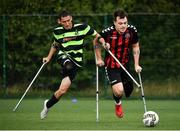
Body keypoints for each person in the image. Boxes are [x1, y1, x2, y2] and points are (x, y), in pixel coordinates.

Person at [40, 10, 108, 119]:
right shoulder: (57, 31)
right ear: (59, 21)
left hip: (77, 61)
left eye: (68, 20)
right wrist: (48, 57)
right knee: (68, 64)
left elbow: (97, 35)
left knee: (62, 91)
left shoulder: (82, 27)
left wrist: (103, 42)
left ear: (71, 18)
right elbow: (55, 44)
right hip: (64, 56)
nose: (67, 23)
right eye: (64, 22)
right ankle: (64, 68)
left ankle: (47, 105)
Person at [94, 9, 142, 118]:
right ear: (114, 22)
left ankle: (119, 93)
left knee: (128, 91)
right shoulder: (107, 32)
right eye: (120, 23)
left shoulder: (132, 30)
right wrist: (99, 58)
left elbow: (135, 46)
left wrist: (136, 64)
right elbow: (96, 42)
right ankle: (118, 104)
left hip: (125, 64)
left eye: (125, 23)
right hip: (111, 66)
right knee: (119, 91)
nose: (123, 26)